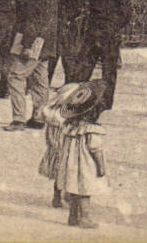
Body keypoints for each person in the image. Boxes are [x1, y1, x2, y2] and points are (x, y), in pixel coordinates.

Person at [70, 0, 130, 110]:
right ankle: (76, 99)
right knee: (83, 67)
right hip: (92, 33)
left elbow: (125, 16)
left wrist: (108, 30)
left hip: (109, 36)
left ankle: (105, 103)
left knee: (108, 70)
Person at [4, 0, 58, 130]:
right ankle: (39, 117)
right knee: (40, 79)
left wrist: (27, 46)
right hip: (46, 42)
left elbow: (33, 21)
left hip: (33, 41)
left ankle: (18, 119)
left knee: (16, 76)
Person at [56, 82, 109, 229]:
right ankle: (85, 218)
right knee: (85, 192)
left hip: (71, 164)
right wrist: (101, 167)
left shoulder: (70, 127)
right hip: (86, 165)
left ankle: (72, 216)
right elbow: (95, 149)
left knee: (73, 190)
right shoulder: (92, 130)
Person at [41, 82, 95, 208]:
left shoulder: (52, 113)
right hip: (66, 148)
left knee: (58, 175)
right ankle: (66, 196)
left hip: (55, 147)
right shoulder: (67, 116)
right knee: (69, 173)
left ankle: (57, 196)